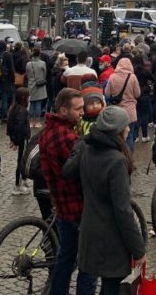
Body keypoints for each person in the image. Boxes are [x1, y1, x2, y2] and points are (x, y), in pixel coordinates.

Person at [64, 105, 145, 295]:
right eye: (126, 126)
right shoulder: (117, 161)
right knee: (112, 288)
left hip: (89, 231)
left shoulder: (87, 149)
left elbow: (68, 171)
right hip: (111, 239)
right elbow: (123, 210)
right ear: (117, 131)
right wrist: (138, 249)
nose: (128, 129)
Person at [40, 89, 98, 295]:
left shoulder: (51, 129)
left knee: (66, 257)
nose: (82, 112)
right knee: (89, 263)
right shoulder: (64, 136)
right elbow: (77, 173)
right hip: (77, 205)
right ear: (63, 110)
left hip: (64, 206)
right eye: (78, 108)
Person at [104, 58, 141, 149]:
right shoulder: (132, 77)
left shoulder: (112, 77)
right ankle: (128, 158)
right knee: (129, 136)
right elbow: (137, 94)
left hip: (116, 111)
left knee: (118, 137)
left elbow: (107, 93)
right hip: (130, 111)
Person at [7, 87, 32, 195]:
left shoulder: (14, 108)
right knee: (22, 161)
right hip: (23, 139)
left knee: (21, 160)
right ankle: (18, 185)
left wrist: (12, 139)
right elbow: (19, 126)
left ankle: (22, 182)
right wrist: (17, 140)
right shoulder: (22, 111)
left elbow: (10, 126)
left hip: (18, 138)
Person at [25, 47, 48, 128]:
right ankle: (37, 121)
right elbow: (45, 74)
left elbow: (27, 75)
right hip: (40, 85)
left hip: (31, 84)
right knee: (38, 103)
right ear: (39, 54)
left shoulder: (28, 64)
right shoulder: (43, 63)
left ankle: (31, 121)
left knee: (31, 103)